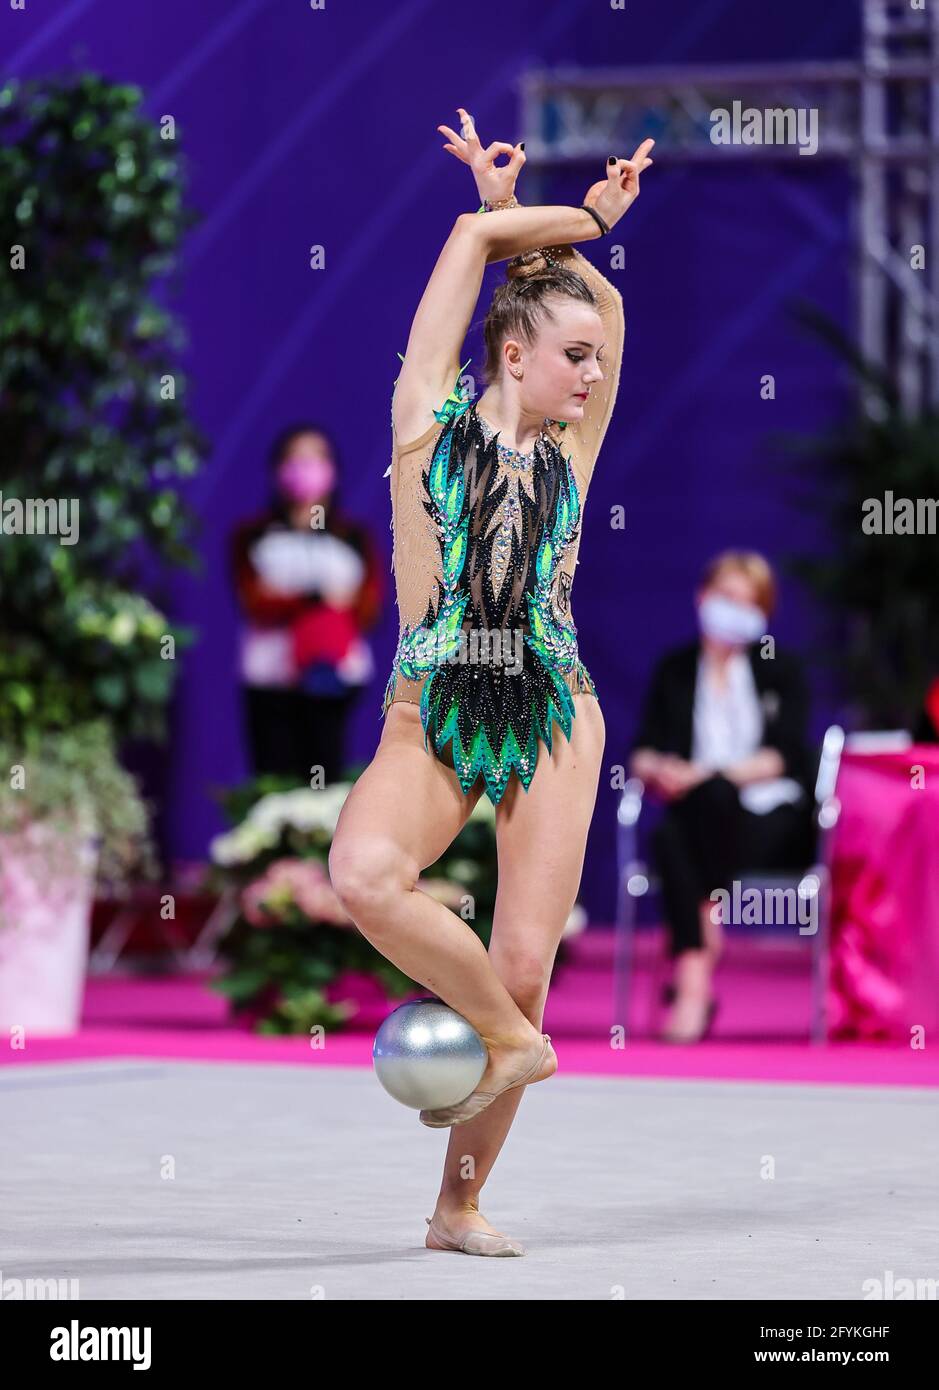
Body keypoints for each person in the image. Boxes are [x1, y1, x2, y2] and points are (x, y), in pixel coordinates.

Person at [328, 108, 655, 1256]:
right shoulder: (425, 420)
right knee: (364, 872)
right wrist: (559, 215)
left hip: (556, 711)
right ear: (510, 353)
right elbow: (470, 239)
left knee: (525, 961)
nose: (592, 373)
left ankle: (457, 1205)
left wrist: (561, 246)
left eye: (596, 366)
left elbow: (601, 304)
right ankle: (506, 1038)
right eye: (572, 359)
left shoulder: (572, 448)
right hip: (433, 706)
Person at [629, 551, 817, 1043]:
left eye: (748, 602)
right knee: (683, 824)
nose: (735, 609)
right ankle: (698, 966)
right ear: (703, 598)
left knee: (689, 819)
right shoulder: (675, 668)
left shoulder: (781, 669)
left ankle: (694, 965)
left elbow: (788, 756)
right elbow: (642, 751)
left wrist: (707, 775)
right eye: (726, 597)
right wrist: (660, 768)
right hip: (697, 818)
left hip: (768, 818)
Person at [232, 424, 383, 785]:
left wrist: (320, 604)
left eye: (315, 458)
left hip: (334, 679)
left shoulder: (354, 538)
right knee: (273, 781)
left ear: (332, 469)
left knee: (326, 778)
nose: (306, 468)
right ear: (278, 470)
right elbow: (256, 601)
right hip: (271, 682)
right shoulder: (253, 536)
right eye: (296, 459)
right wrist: (317, 597)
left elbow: (366, 608)